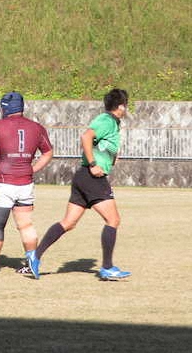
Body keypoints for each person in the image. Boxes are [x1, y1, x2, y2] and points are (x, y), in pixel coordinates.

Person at [32, 88, 131, 281]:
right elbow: (86, 137)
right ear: (121, 106)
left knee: (68, 223)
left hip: (83, 177)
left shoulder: (112, 123)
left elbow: (99, 143)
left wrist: (111, 157)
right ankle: (107, 267)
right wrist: (94, 164)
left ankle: (35, 257)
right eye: (125, 105)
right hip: (91, 177)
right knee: (113, 220)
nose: (126, 109)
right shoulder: (106, 120)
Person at [0, 92, 54, 276]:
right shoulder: (36, 128)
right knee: (26, 225)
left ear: (4, 108)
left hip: (4, 182)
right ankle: (31, 262)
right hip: (25, 183)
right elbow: (48, 152)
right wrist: (33, 168)